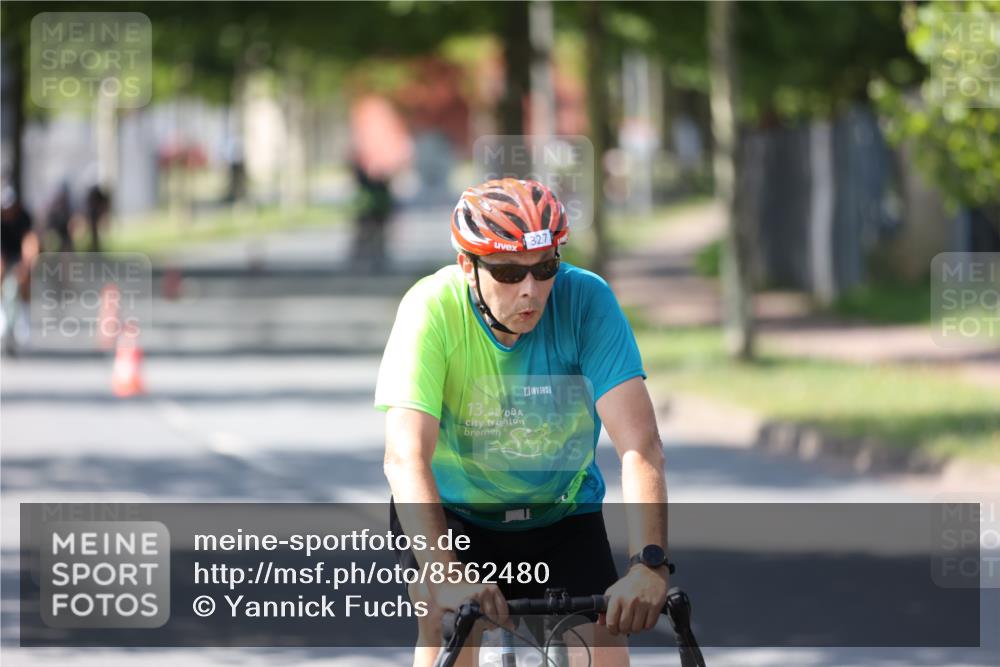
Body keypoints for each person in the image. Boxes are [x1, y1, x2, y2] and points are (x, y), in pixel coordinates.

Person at [376, 178, 670, 667]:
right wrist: (444, 573)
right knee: (445, 622)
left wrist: (649, 563)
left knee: (607, 649)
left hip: (561, 513)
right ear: (467, 265)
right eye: (509, 272)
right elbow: (405, 457)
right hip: (456, 517)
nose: (531, 290)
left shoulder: (586, 301)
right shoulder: (430, 309)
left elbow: (640, 445)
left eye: (545, 267)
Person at [1, 185, 40, 355]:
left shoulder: (24, 217)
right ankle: (2, 317)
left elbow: (30, 241)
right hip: (4, 254)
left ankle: (23, 320)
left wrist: (26, 264)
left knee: (24, 279)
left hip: (18, 255)